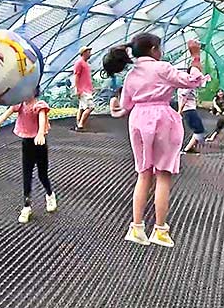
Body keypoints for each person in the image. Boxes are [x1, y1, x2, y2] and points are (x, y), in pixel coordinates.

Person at [103, 34, 209, 248]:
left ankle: (137, 227)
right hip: (162, 119)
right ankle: (160, 230)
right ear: (153, 49)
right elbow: (193, 81)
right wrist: (195, 57)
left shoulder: (131, 75)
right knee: (162, 175)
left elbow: (125, 106)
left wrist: (115, 109)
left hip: (138, 121)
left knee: (143, 174)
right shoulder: (162, 68)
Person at [0, 90, 57, 224]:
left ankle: (50, 194)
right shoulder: (20, 104)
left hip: (39, 144)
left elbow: (42, 118)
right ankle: (27, 206)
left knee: (42, 174)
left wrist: (40, 133)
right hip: (27, 144)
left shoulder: (39, 105)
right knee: (27, 175)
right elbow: (6, 113)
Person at [178, 69, 206, 155]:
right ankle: (187, 149)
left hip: (189, 110)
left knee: (198, 129)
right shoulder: (188, 87)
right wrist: (179, 111)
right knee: (199, 130)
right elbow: (183, 98)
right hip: (189, 110)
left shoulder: (185, 85)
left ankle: (190, 147)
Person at [72, 46, 94, 131]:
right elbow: (76, 76)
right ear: (84, 53)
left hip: (87, 89)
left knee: (81, 108)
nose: (90, 53)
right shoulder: (79, 63)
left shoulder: (86, 64)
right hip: (83, 90)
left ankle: (78, 124)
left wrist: (91, 87)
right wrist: (77, 89)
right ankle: (80, 124)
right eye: (88, 52)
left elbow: (86, 77)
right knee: (90, 107)